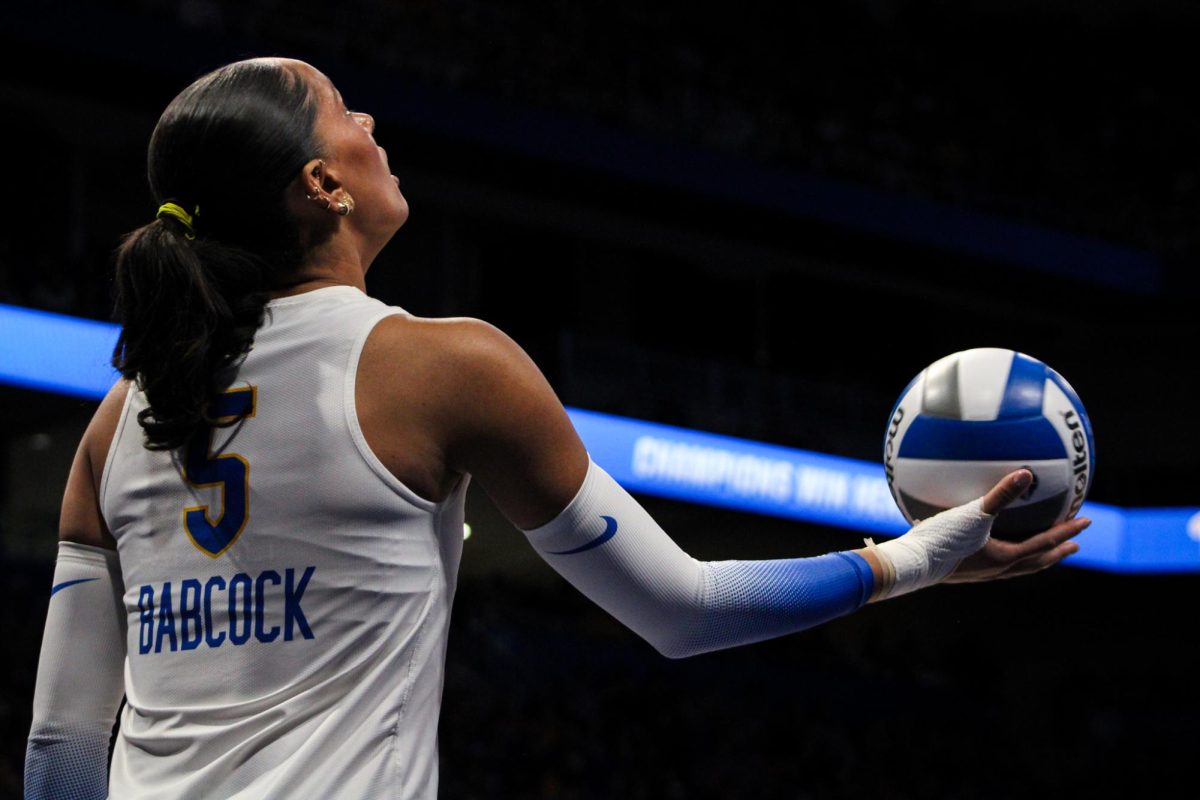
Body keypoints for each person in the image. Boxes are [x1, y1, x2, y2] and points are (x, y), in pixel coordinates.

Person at [24, 57, 1089, 799]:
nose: (373, 127)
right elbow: (684, 608)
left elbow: (64, 736)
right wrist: (904, 562)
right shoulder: (446, 365)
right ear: (322, 185)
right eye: (346, 112)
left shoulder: (117, 419)